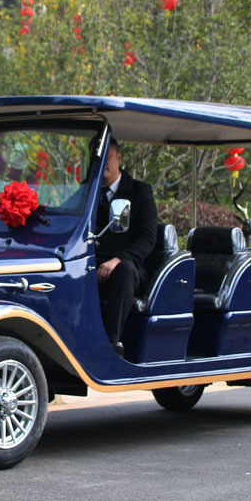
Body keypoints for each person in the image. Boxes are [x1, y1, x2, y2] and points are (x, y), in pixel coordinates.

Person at [95, 137, 158, 355]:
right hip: (92, 264)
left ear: (119, 158)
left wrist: (119, 259)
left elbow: (148, 238)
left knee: (124, 271)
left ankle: (110, 343)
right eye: (98, 158)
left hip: (128, 267)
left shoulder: (140, 192)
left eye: (108, 157)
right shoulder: (88, 194)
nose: (103, 163)